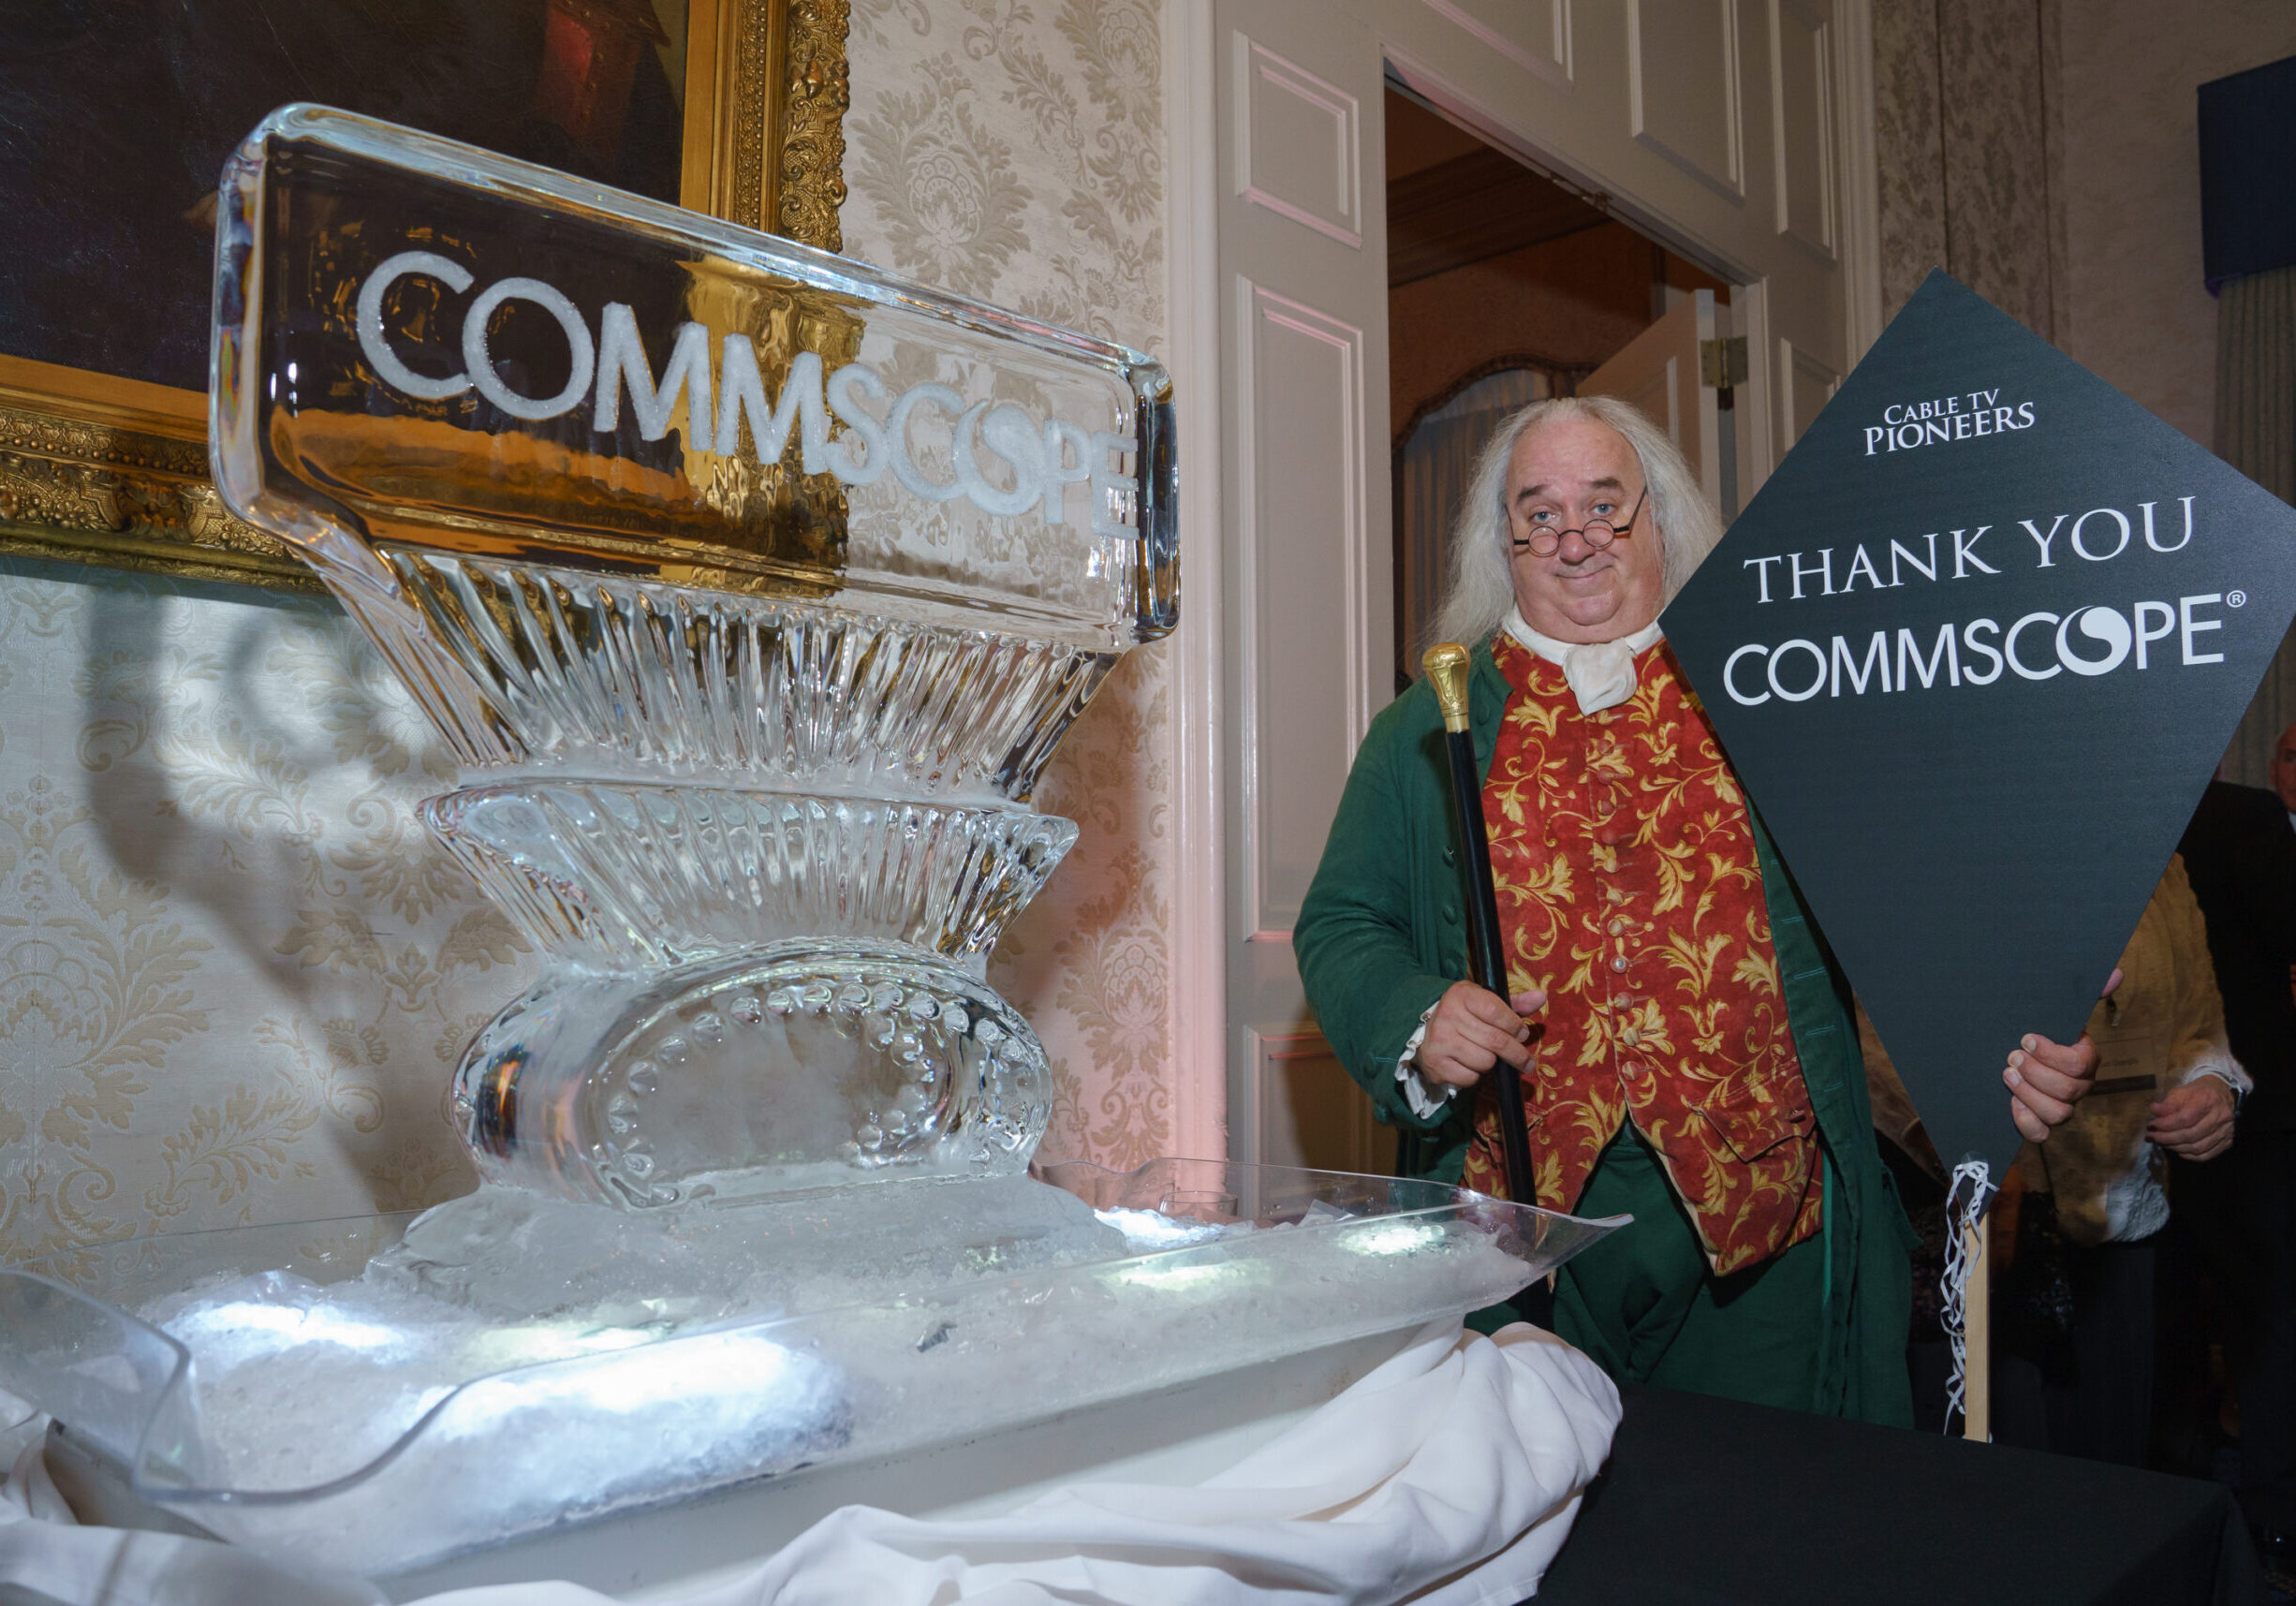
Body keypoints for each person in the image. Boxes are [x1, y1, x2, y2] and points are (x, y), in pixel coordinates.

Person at [1295, 395, 2098, 1427]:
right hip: (1516, 1218)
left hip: (1764, 1224)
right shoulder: (1427, 720)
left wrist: (2021, 1011)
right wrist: (1416, 1011)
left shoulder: (1777, 689)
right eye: (1538, 512)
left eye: (1604, 505)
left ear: (1660, 520)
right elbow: (1343, 920)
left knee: (1765, 1528)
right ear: (1503, 542)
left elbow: (1922, 897)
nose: (1573, 536)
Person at [1982, 857, 2245, 1465]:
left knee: (2105, 1491)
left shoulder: (2162, 859)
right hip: (1986, 1231)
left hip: (2118, 1221)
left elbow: (2200, 1020)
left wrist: (2212, 1087)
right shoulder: (1953, 829)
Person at [2174, 730, 2296, 1554]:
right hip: (2255, 1103)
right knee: (2267, 1314)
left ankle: (2181, 1508)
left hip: (2144, 1113)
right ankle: (2274, 1513)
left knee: (2178, 1310)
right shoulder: (2243, 816)